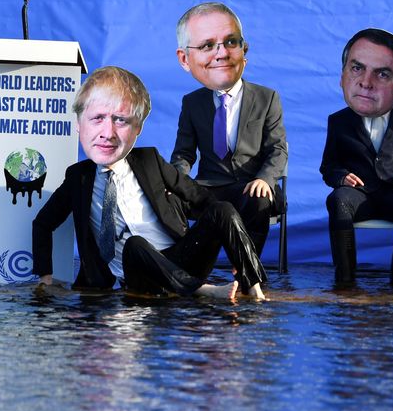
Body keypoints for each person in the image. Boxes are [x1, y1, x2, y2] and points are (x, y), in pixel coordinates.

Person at [32, 66, 268, 300]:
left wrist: (235, 243)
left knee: (222, 208)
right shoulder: (78, 178)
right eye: (97, 118)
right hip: (138, 274)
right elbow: (43, 223)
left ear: (138, 129)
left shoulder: (150, 161)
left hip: (181, 259)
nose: (108, 133)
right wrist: (45, 276)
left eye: (121, 120)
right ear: (78, 123)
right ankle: (198, 289)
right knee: (135, 245)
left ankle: (254, 286)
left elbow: (203, 200)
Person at [170, 1, 288, 255]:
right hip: (210, 186)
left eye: (231, 43)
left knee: (259, 199)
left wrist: (265, 179)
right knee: (172, 198)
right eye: (207, 46)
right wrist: (176, 181)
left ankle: (247, 271)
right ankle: (188, 267)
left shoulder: (267, 98)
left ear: (244, 50)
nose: (221, 53)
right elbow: (184, 154)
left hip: (251, 185)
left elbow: (277, 150)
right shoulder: (192, 103)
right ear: (185, 59)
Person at [320, 28, 393, 287]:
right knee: (338, 200)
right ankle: (345, 280)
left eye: (382, 74)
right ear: (342, 76)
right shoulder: (338, 121)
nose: (366, 83)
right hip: (359, 196)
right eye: (357, 68)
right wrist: (341, 177)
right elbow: (329, 167)